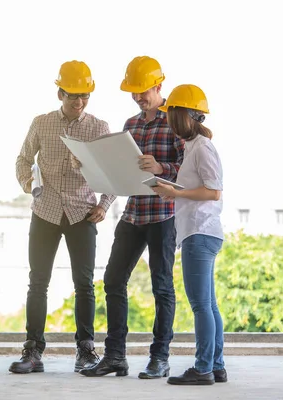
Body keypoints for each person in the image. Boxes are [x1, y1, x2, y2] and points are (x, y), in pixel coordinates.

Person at [81, 56, 185, 378]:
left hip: (163, 215)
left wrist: (161, 168)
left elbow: (191, 172)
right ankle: (115, 357)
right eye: (134, 92)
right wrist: (103, 191)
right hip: (134, 213)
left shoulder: (176, 122)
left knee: (162, 286)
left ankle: (160, 357)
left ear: (158, 85)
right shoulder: (131, 125)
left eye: (144, 91)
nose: (139, 97)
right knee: (113, 279)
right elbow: (121, 172)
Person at [10, 60, 117, 374]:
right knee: (38, 283)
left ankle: (85, 352)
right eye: (73, 95)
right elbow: (23, 158)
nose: (79, 101)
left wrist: (104, 205)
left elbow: (112, 172)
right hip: (45, 211)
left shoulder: (99, 128)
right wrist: (30, 185)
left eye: (84, 95)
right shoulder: (42, 123)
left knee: (84, 285)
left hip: (82, 213)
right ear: (60, 93)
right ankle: (32, 352)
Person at [152, 84, 226, 385]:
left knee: (200, 305)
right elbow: (198, 189)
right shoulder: (192, 147)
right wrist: (173, 192)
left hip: (200, 232)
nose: (168, 121)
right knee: (209, 304)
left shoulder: (202, 147)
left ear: (182, 115)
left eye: (170, 115)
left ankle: (203, 368)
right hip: (199, 232)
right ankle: (216, 365)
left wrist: (174, 191)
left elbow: (214, 190)